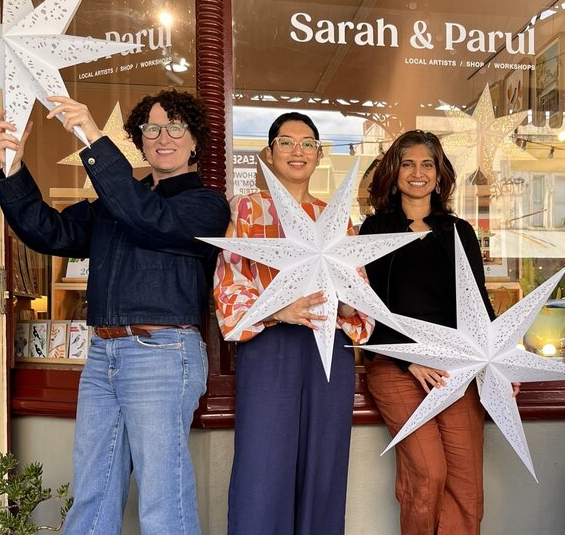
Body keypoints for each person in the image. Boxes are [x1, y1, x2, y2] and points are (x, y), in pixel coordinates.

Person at [0, 91, 229, 535]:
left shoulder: (206, 205)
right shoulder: (119, 200)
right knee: (93, 492)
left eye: (176, 127)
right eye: (151, 128)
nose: (163, 137)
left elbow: (150, 220)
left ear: (195, 141)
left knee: (163, 496)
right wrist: (13, 166)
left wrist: (94, 140)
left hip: (162, 353)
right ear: (139, 140)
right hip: (103, 355)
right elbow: (52, 233)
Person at [213, 112, 372, 535]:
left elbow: (361, 293)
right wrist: (279, 309)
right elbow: (229, 282)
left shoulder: (337, 216)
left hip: (329, 350)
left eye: (307, 143)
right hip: (270, 346)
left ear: (319, 155)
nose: (297, 150)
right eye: (286, 142)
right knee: (263, 469)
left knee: (325, 466)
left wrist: (347, 308)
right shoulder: (248, 208)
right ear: (268, 153)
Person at [359, 130, 515, 535]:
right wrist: (409, 359)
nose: (417, 172)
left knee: (465, 484)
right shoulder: (374, 230)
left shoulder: (457, 231)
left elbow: (477, 302)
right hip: (397, 367)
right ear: (394, 173)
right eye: (408, 163)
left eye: (426, 164)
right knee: (427, 474)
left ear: (439, 173)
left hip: (456, 367)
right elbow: (366, 309)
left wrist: (498, 364)